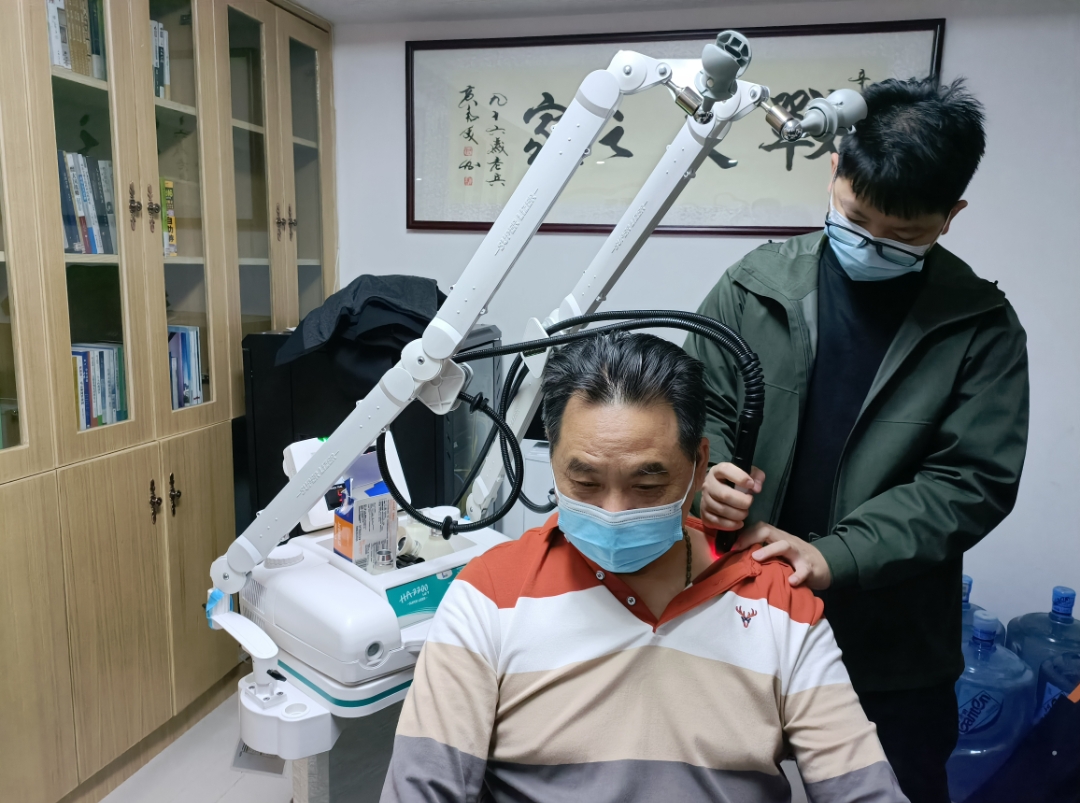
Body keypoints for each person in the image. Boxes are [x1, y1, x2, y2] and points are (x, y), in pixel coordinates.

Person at [686, 77, 1029, 803]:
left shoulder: (979, 326)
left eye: (904, 235)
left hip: (891, 649)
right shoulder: (753, 286)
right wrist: (704, 474)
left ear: (952, 216)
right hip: (738, 614)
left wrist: (835, 555)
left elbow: (970, 483)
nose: (873, 244)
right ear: (835, 167)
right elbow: (696, 407)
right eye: (857, 218)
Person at [382, 331, 907, 803]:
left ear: (699, 465)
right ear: (552, 461)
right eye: (585, 482)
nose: (614, 512)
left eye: (648, 484)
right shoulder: (489, 595)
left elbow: (863, 790)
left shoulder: (776, 600)